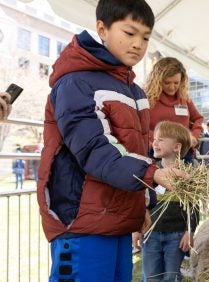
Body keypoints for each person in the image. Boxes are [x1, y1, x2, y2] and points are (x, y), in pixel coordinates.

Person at [36, 1, 185, 281]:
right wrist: (154, 174)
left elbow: (134, 151)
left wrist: (140, 203)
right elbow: (97, 148)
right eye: (129, 33)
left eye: (145, 37)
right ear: (102, 29)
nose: (138, 44)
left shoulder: (135, 91)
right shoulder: (76, 83)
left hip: (118, 219)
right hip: (82, 221)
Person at [140, 120, 199, 282]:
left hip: (177, 235)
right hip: (151, 233)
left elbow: (194, 205)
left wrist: (190, 230)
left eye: (161, 139)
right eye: (155, 139)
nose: (155, 143)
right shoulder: (150, 171)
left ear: (177, 147)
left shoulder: (188, 174)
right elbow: (140, 200)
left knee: (171, 277)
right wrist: (136, 228)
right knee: (151, 276)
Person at [145, 57, 204, 165]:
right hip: (157, 154)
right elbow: (139, 126)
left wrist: (193, 136)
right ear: (157, 80)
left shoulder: (184, 98)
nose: (172, 87)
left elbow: (198, 119)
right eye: (167, 83)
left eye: (176, 83)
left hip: (184, 155)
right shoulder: (147, 99)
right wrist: (162, 140)